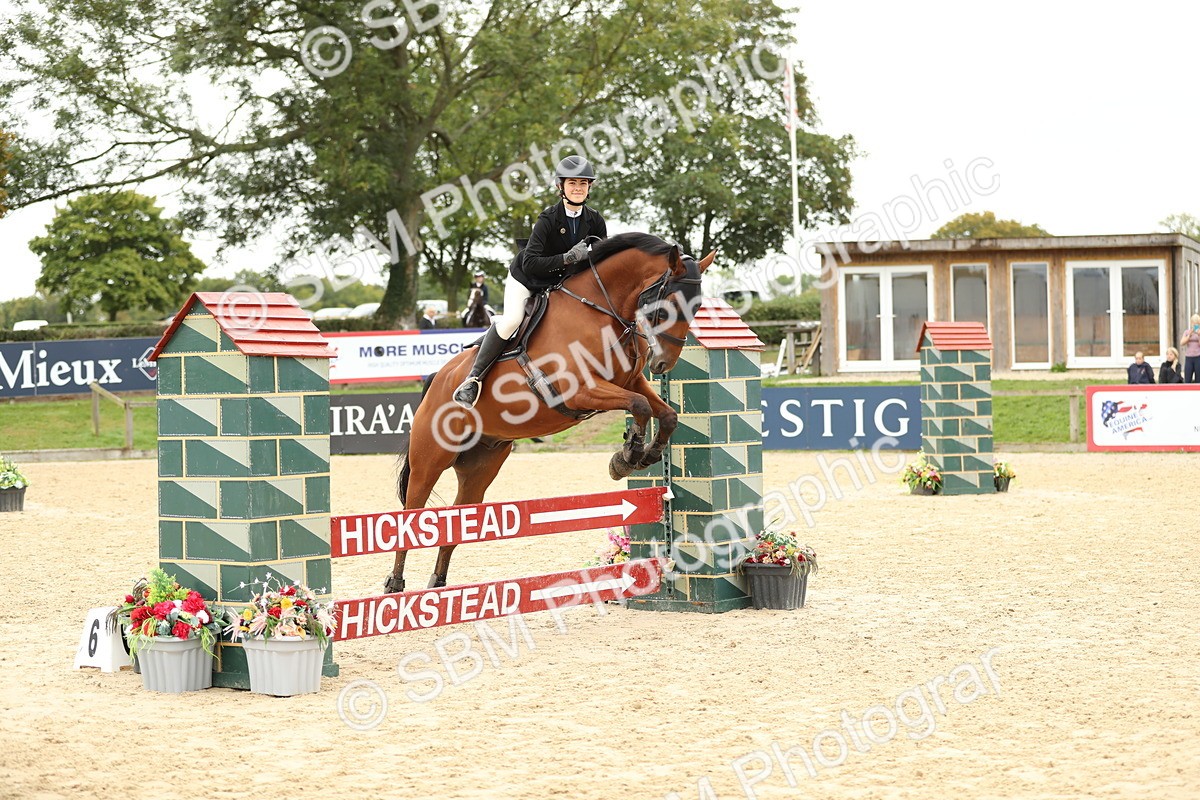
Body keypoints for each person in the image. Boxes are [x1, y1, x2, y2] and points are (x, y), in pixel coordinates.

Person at [452, 155, 608, 408]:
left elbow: (600, 261)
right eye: (572, 183)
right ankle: (473, 379)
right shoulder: (548, 219)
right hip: (527, 278)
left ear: (590, 186)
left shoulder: (595, 220)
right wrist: (567, 258)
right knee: (513, 320)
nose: (578, 188)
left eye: (583, 183)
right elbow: (530, 262)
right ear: (560, 186)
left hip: (560, 284)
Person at [1180, 314, 1200, 382]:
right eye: (1193, 323)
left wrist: (1199, 335)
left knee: (1198, 378)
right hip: (1189, 357)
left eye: (1197, 323)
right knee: (1187, 378)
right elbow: (1182, 343)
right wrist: (1189, 336)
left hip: (1198, 356)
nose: (1195, 325)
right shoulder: (1187, 332)